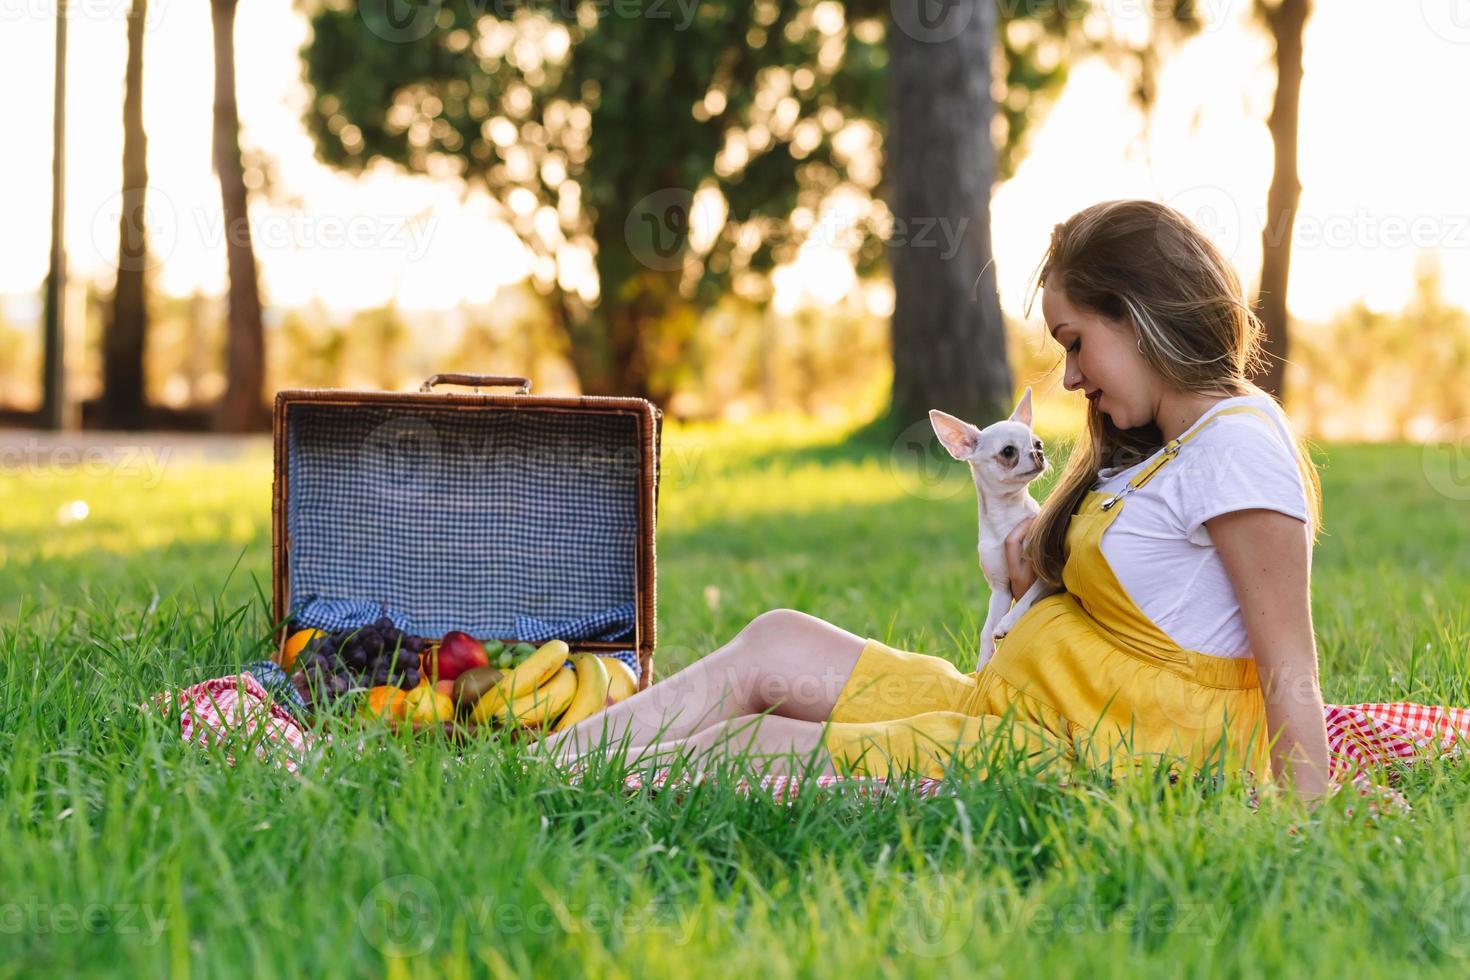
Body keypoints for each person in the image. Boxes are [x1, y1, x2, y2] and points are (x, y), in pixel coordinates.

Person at [541, 199, 1334, 805]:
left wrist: (1305, 821)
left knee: (756, 741)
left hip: (1091, 756)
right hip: (1018, 712)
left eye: (1074, 342)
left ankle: (567, 796)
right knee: (777, 640)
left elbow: (1288, 662)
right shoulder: (1156, 444)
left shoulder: (1237, 447)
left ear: (1139, 316)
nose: (1068, 378)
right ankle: (538, 770)